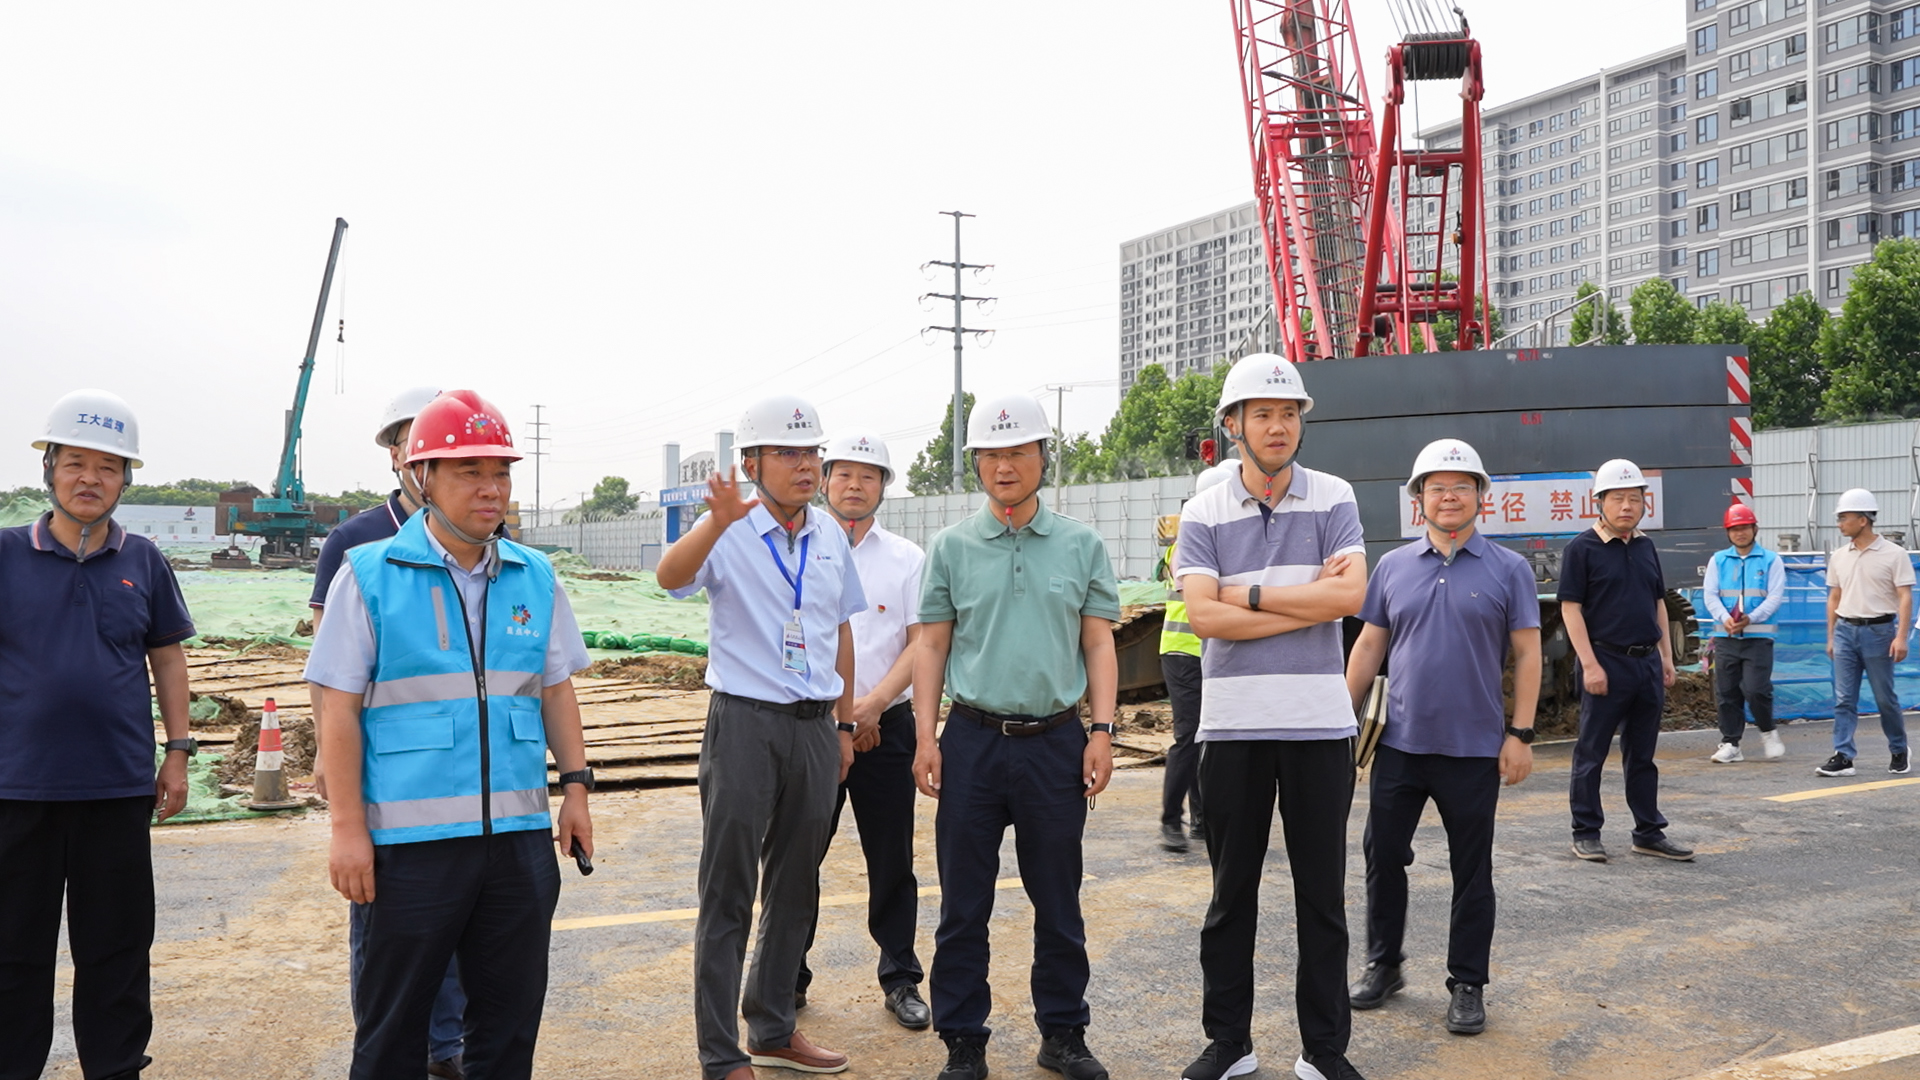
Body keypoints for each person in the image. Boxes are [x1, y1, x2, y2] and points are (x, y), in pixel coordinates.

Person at [305, 389, 594, 1080]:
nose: (491, 489)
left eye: (500, 473)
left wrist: (577, 789)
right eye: (470, 472)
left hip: (517, 839)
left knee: (507, 1026)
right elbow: (335, 709)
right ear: (422, 476)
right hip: (409, 847)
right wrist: (347, 830)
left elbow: (556, 688)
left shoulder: (535, 575)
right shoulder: (369, 574)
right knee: (393, 1030)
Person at [911, 393, 1121, 1080]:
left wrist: (1102, 731)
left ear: (1042, 457)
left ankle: (1063, 1033)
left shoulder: (1081, 545)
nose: (1005, 466)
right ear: (976, 463)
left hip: (1057, 744)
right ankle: (963, 1041)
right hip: (971, 742)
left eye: (1018, 452)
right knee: (963, 905)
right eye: (992, 455)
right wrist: (926, 737)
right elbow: (932, 647)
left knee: (1058, 901)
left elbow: (1098, 643)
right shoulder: (951, 547)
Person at [1174, 355, 1370, 1080]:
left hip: (1319, 726)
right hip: (1233, 727)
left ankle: (1325, 1050)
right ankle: (1230, 1043)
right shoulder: (1203, 511)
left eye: (1289, 413)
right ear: (1233, 425)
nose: (1278, 426)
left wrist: (1248, 595)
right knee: (1231, 898)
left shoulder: (1335, 496)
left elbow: (1349, 598)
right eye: (1262, 414)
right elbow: (1203, 617)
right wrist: (1301, 601)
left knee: (1322, 898)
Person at [656, 394, 864, 1080]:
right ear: (751, 463)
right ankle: (721, 1054)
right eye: (788, 453)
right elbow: (670, 578)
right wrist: (715, 524)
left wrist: (843, 725)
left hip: (814, 726)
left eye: (812, 453)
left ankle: (772, 1027)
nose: (806, 466)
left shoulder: (829, 534)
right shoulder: (728, 527)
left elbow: (839, 629)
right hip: (744, 724)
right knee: (728, 888)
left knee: (796, 883)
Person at [0, 389, 194, 1080]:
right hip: (16, 788)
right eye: (75, 463)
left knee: (116, 947)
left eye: (108, 467)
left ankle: (114, 1068)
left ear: (126, 480)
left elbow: (167, 657)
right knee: (13, 948)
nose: (90, 479)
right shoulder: (5, 553)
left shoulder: (143, 559)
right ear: (48, 470)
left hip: (116, 787)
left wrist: (178, 752)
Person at [1343, 439, 1542, 1037]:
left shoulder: (1509, 569)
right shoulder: (1393, 567)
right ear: (1418, 500)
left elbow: (1529, 654)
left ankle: (1467, 983)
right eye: (1436, 487)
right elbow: (1369, 645)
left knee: (1471, 869)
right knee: (1382, 855)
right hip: (1399, 744)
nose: (1448, 496)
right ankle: (1384, 963)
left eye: (1460, 486)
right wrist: (1337, 719)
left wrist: (1521, 733)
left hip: (1474, 749)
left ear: (1482, 497)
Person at [304, 386, 473, 1079]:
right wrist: (327, 751)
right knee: (385, 920)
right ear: (398, 455)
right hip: (382, 768)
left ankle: (445, 1047)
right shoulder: (354, 540)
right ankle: (387, 1042)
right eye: (408, 438)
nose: (420, 449)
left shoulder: (482, 533)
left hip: (459, 770)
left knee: (457, 917)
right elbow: (327, 664)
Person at [795, 432, 931, 1030]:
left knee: (892, 858)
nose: (855, 485)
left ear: (883, 487)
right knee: (798, 855)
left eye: (868, 476)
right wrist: (840, 717)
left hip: (887, 727)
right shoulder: (795, 551)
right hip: (813, 728)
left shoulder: (906, 559)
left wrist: (871, 707)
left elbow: (921, 642)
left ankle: (901, 978)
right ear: (825, 481)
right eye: (844, 474)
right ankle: (786, 975)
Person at [1561, 458, 1693, 863]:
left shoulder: (1645, 546)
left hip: (1646, 663)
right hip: (1606, 660)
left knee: (1642, 755)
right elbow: (1570, 609)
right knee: (1592, 753)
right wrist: (1590, 665)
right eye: (1617, 498)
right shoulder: (1582, 549)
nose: (1626, 506)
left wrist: (1666, 657)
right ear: (1599, 501)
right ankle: (1586, 831)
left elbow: (1658, 602)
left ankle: (1648, 832)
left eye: (1634, 499)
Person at [1156, 460, 1236, 853]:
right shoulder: (1187, 541)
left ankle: (1204, 818)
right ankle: (1171, 820)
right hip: (1184, 651)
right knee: (1188, 738)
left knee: (1210, 738)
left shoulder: (1220, 537)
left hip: (1212, 652)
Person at [1817, 488, 1914, 778]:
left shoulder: (1894, 554)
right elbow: (1834, 598)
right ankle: (1843, 755)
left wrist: (1901, 637)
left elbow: (1905, 596)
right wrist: (1831, 636)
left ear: (1863, 520)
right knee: (1844, 698)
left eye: (1843, 517)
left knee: (1884, 697)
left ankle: (1899, 749)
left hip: (1879, 632)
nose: (1839, 523)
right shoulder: (1839, 557)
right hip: (1845, 631)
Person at [1703, 503, 1787, 764]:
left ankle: (1768, 731)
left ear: (1755, 529)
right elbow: (1710, 595)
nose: (1740, 533)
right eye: (1734, 529)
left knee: (1756, 689)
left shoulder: (1771, 560)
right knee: (1726, 692)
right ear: (1728, 532)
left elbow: (1774, 597)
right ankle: (1731, 743)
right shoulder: (1718, 560)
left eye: (1744, 527)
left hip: (1758, 638)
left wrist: (1752, 618)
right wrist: (1725, 618)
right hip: (1726, 637)